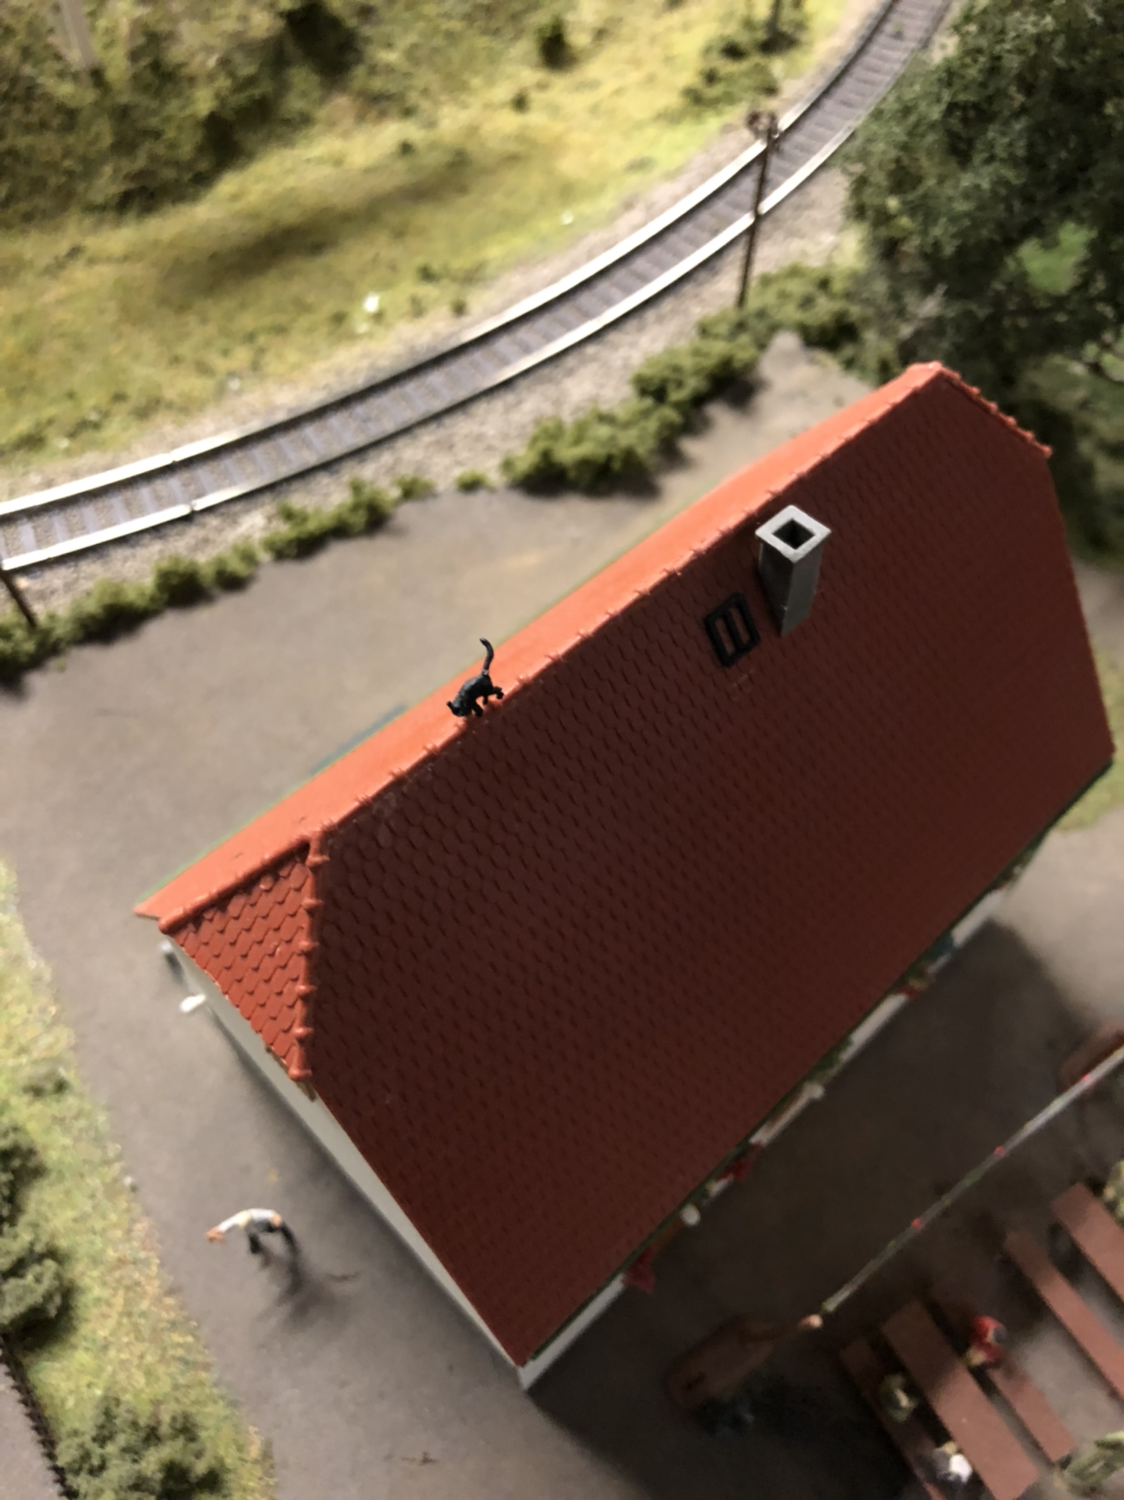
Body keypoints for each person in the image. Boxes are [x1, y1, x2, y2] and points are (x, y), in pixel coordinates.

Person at [665, 1313, 823, 1433]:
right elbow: (761, 1336)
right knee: (700, 1369)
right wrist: (798, 1328)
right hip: (721, 1355)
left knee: (707, 1378)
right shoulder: (753, 1332)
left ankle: (689, 1391)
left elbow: (765, 1337)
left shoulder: (761, 1346)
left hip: (728, 1359)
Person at [1058, 1431, 1124, 1496]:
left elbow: (1109, 1439)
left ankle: (1072, 1471)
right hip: (1119, 1461)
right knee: (1104, 1472)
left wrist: (1099, 1442)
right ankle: (1088, 1485)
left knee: (1089, 1460)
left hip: (1107, 1450)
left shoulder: (1122, 1436)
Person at [207, 1208, 296, 1256]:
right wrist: (217, 1233)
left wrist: (276, 1220)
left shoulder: (256, 1215)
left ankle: (288, 1235)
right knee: (251, 1235)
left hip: (265, 1225)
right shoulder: (237, 1220)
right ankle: (256, 1247)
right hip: (253, 1230)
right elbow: (223, 1227)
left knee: (278, 1227)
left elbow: (272, 1215)